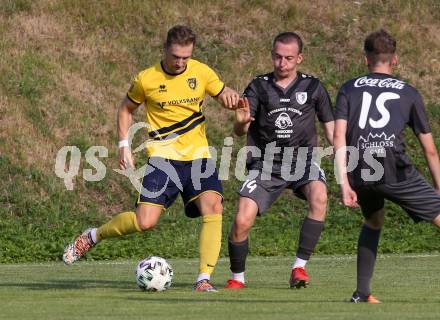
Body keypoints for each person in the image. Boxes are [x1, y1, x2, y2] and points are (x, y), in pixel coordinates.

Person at [63, 25, 241, 292]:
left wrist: (231, 99)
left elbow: (224, 93)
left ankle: (203, 279)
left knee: (213, 207)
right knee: (144, 222)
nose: (180, 62)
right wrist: (123, 144)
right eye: (175, 56)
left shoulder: (202, 72)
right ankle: (93, 235)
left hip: (197, 157)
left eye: (186, 57)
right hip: (162, 159)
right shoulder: (146, 79)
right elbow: (125, 108)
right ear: (165, 50)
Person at [334, 29, 440, 303]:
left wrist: (344, 182)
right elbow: (429, 149)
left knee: (373, 219)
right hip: (393, 167)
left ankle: (362, 293)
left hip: (361, 170)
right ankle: (362, 292)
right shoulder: (409, 92)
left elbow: (338, 137)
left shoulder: (348, 88)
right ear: (394, 60)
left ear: (365, 59)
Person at [224, 32, 334, 290]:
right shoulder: (258, 87)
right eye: (277, 57)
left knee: (319, 196)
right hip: (265, 164)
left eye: (288, 58)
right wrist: (239, 123)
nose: (281, 63)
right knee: (241, 220)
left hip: (303, 162)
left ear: (299, 58)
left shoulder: (313, 87)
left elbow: (331, 129)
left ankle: (299, 267)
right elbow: (240, 129)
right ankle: (237, 279)